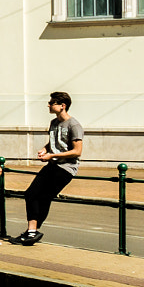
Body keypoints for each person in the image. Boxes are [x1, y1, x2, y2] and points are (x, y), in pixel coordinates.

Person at [19, 91, 85, 245]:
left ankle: (32, 231)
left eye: (52, 103)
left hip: (66, 168)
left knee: (39, 195)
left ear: (63, 106)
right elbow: (54, 142)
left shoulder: (74, 125)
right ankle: (32, 231)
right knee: (33, 194)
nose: (48, 105)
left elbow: (77, 151)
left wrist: (51, 156)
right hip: (53, 164)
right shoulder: (54, 123)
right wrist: (45, 149)